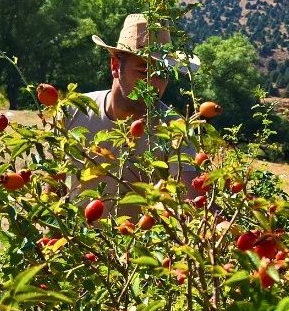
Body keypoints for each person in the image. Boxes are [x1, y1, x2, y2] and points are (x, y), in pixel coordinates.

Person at [64, 13, 202, 215]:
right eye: (143, 70)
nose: (152, 85)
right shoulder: (74, 110)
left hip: (136, 244)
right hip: (75, 242)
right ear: (115, 66)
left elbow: (193, 200)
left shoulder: (175, 129)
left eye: (162, 74)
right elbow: (56, 183)